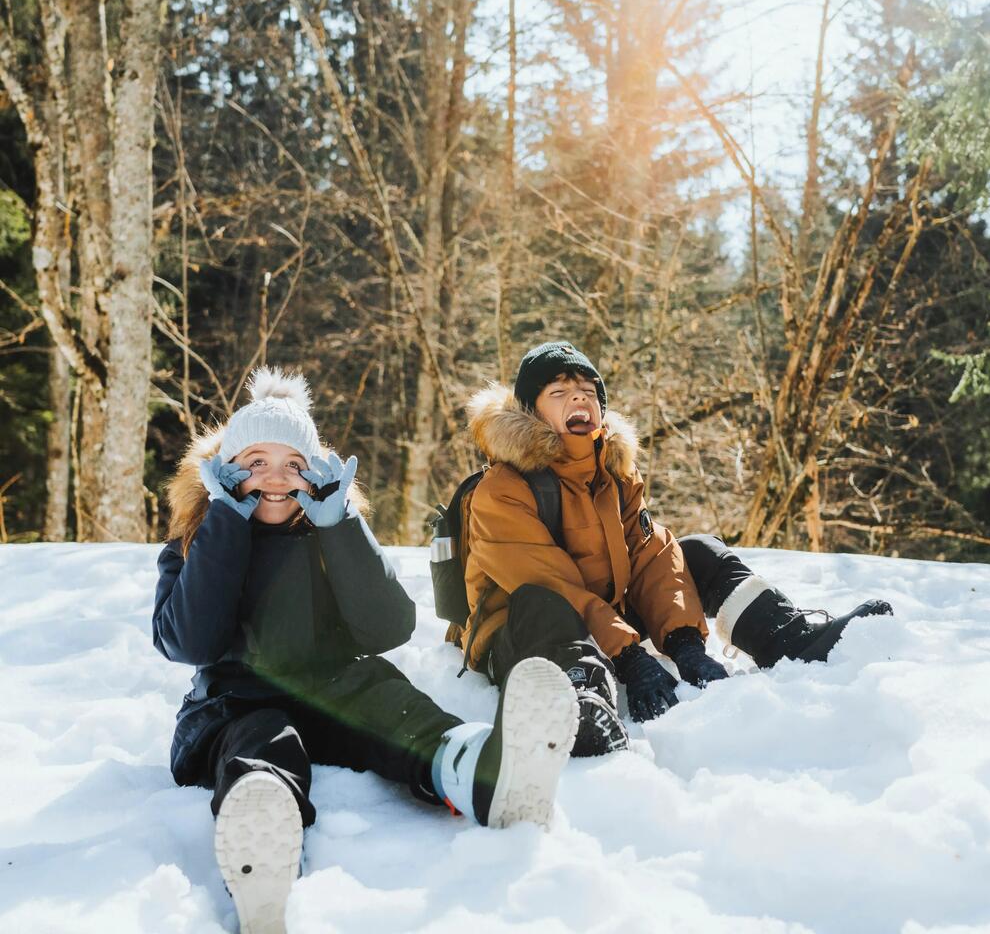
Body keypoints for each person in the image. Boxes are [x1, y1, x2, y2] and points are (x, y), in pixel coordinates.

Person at [154, 366, 578, 934]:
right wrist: (225, 525)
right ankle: (264, 840)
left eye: (293, 465)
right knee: (262, 740)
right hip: (239, 702)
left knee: (394, 706)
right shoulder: (195, 541)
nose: (275, 478)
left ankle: (481, 770)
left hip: (337, 687)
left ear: (316, 473)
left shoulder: (329, 532)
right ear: (225, 470)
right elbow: (190, 640)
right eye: (256, 462)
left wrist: (342, 528)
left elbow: (388, 627)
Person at [447, 341, 893, 757]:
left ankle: (789, 638)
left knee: (696, 550)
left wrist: (683, 643)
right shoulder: (502, 490)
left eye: (587, 390)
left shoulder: (614, 473)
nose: (578, 399)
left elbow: (651, 556)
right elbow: (549, 583)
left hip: (601, 616)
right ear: (531, 412)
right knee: (542, 603)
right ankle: (580, 698)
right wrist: (629, 656)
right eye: (559, 392)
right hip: (521, 631)